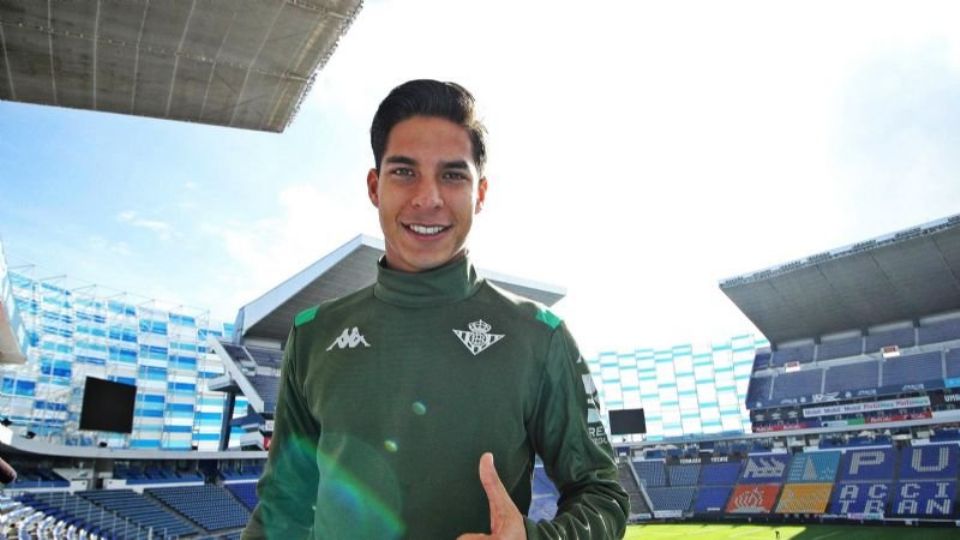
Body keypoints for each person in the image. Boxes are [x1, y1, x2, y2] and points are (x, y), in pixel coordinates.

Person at [242, 79, 629, 539]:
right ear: (375, 186)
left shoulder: (539, 336)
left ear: (480, 193)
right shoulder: (313, 334)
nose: (428, 198)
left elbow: (601, 494)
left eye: (453, 175)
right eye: (405, 172)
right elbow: (282, 506)